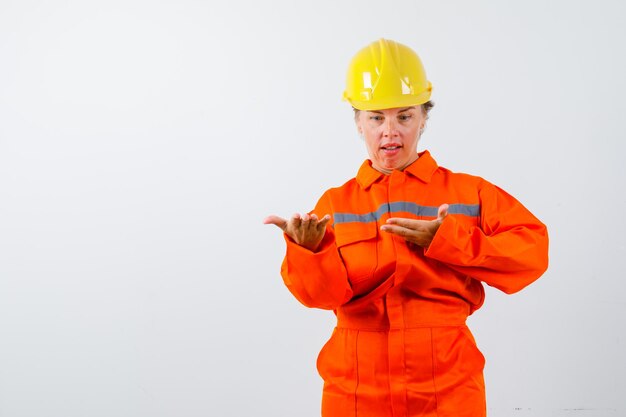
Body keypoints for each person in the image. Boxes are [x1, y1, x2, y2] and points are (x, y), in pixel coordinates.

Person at [264, 38, 549, 417]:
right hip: (355, 391)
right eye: (376, 117)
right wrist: (309, 252)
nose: (390, 131)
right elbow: (318, 297)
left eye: (405, 115)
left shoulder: (469, 193)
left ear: (424, 118)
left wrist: (447, 240)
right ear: (358, 122)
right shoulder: (335, 204)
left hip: (448, 389)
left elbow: (531, 254)